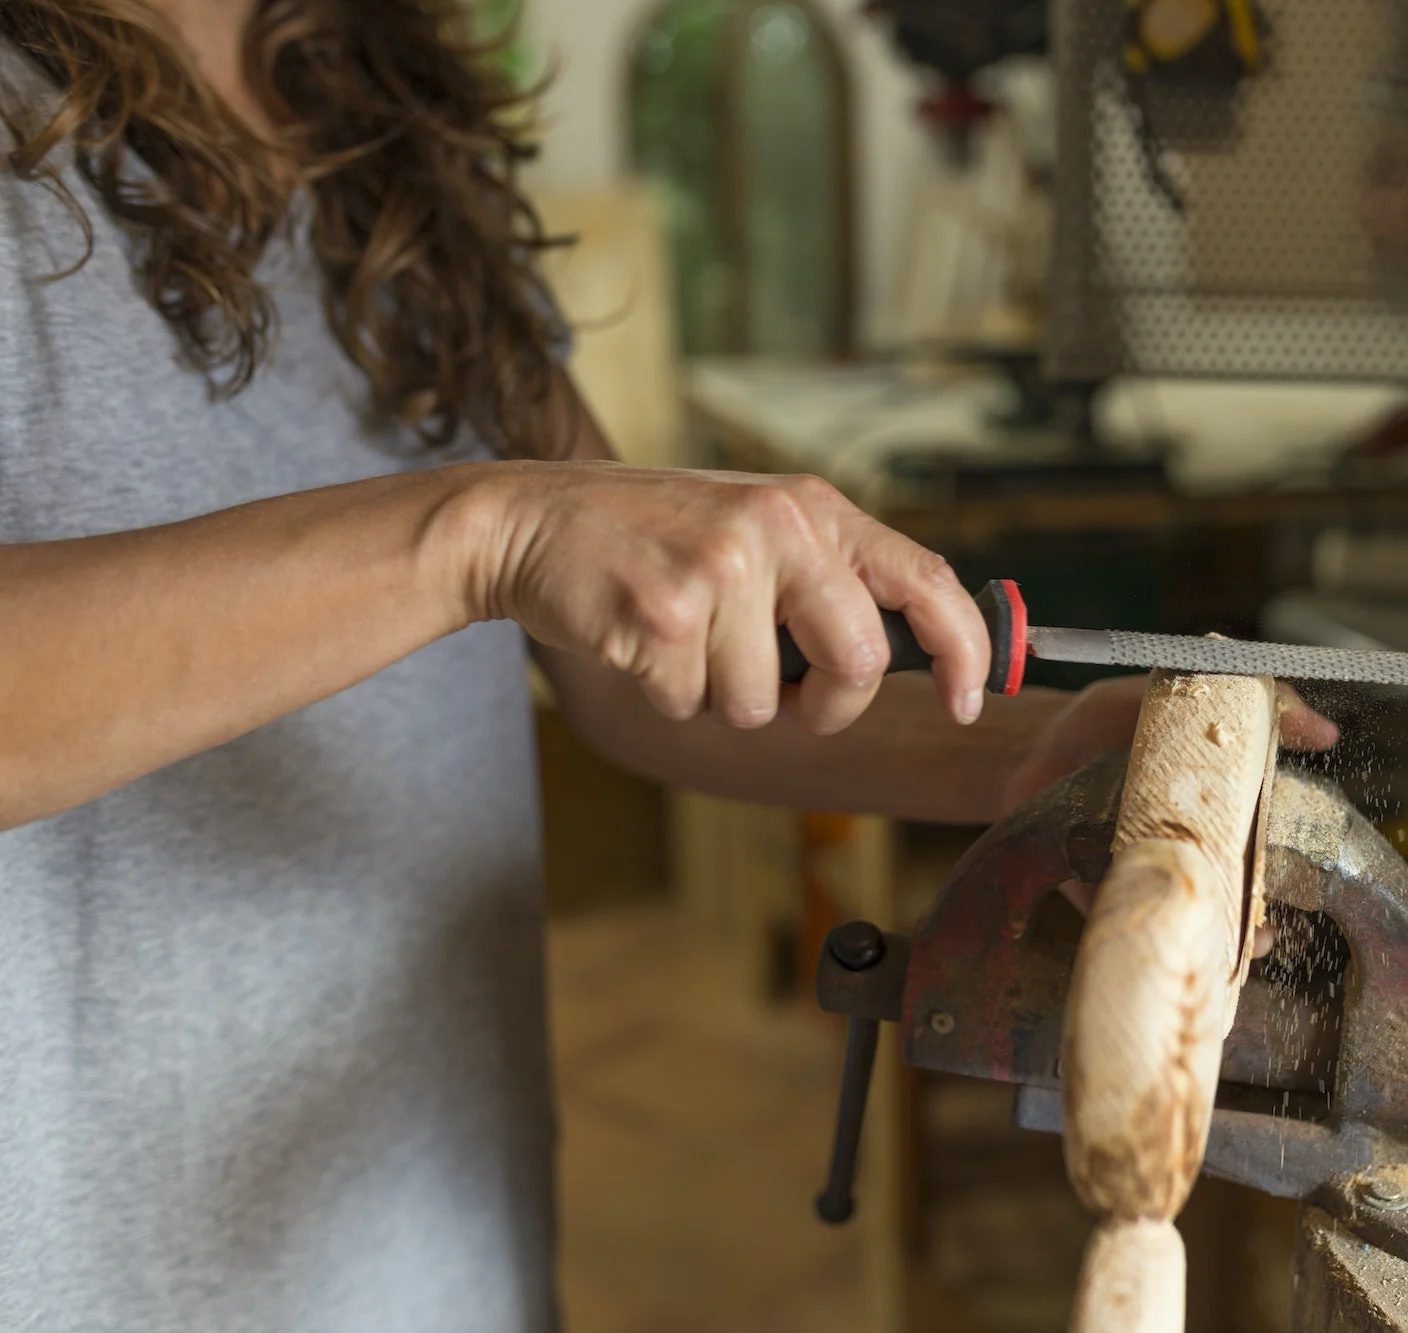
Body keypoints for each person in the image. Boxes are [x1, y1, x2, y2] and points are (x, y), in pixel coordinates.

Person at [0, 3, 1335, 1330]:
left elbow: (634, 674)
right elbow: (503, 544)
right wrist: (483, 530)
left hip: (421, 1233)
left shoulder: (385, 130)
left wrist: (1030, 755)